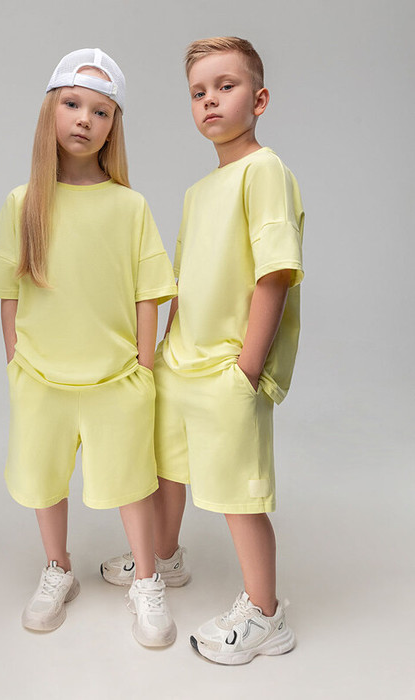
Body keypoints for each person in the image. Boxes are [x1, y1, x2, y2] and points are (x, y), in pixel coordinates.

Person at [101, 36, 304, 664]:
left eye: (226, 86)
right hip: (180, 363)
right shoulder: (198, 191)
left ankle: (266, 615)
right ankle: (163, 557)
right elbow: (186, 280)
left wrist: (247, 368)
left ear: (259, 100)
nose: (210, 100)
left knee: (239, 497)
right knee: (166, 470)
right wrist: (165, 348)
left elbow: (274, 273)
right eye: (198, 92)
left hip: (226, 370)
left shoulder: (265, 171)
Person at [0, 48, 178, 648]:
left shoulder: (129, 205)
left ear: (113, 126)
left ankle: (147, 580)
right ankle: (57, 568)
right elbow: (8, 291)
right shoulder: (23, 203)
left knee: (132, 482)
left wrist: (143, 365)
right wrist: (16, 359)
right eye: (72, 104)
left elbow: (148, 291)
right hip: (41, 377)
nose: (84, 119)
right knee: (45, 480)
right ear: (51, 111)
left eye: (100, 111)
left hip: (116, 378)